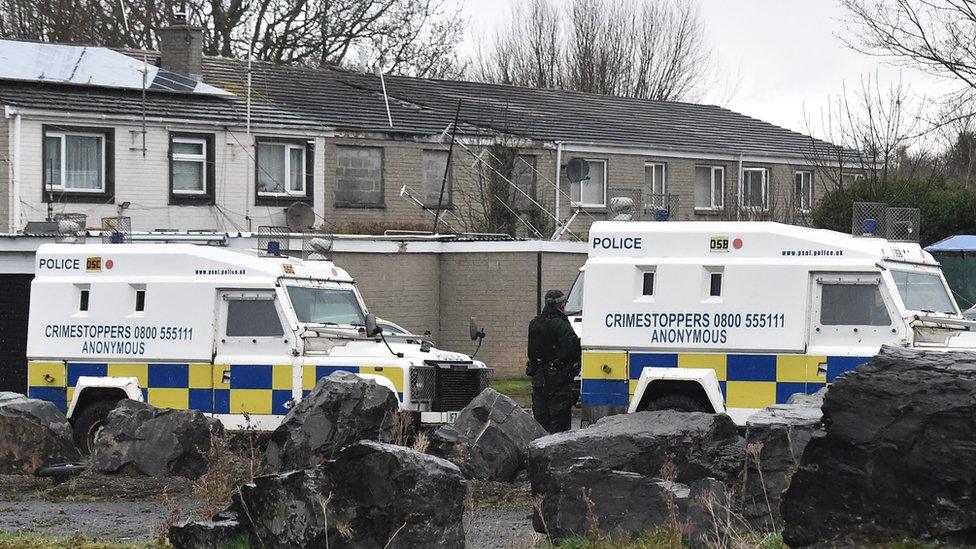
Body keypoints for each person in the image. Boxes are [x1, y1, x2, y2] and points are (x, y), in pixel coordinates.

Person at [526, 289, 581, 433]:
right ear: (559, 305)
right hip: (558, 379)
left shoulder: (535, 323)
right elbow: (573, 346)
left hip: (539, 377)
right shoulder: (560, 324)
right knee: (559, 419)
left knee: (540, 418)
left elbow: (531, 351)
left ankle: (539, 448)